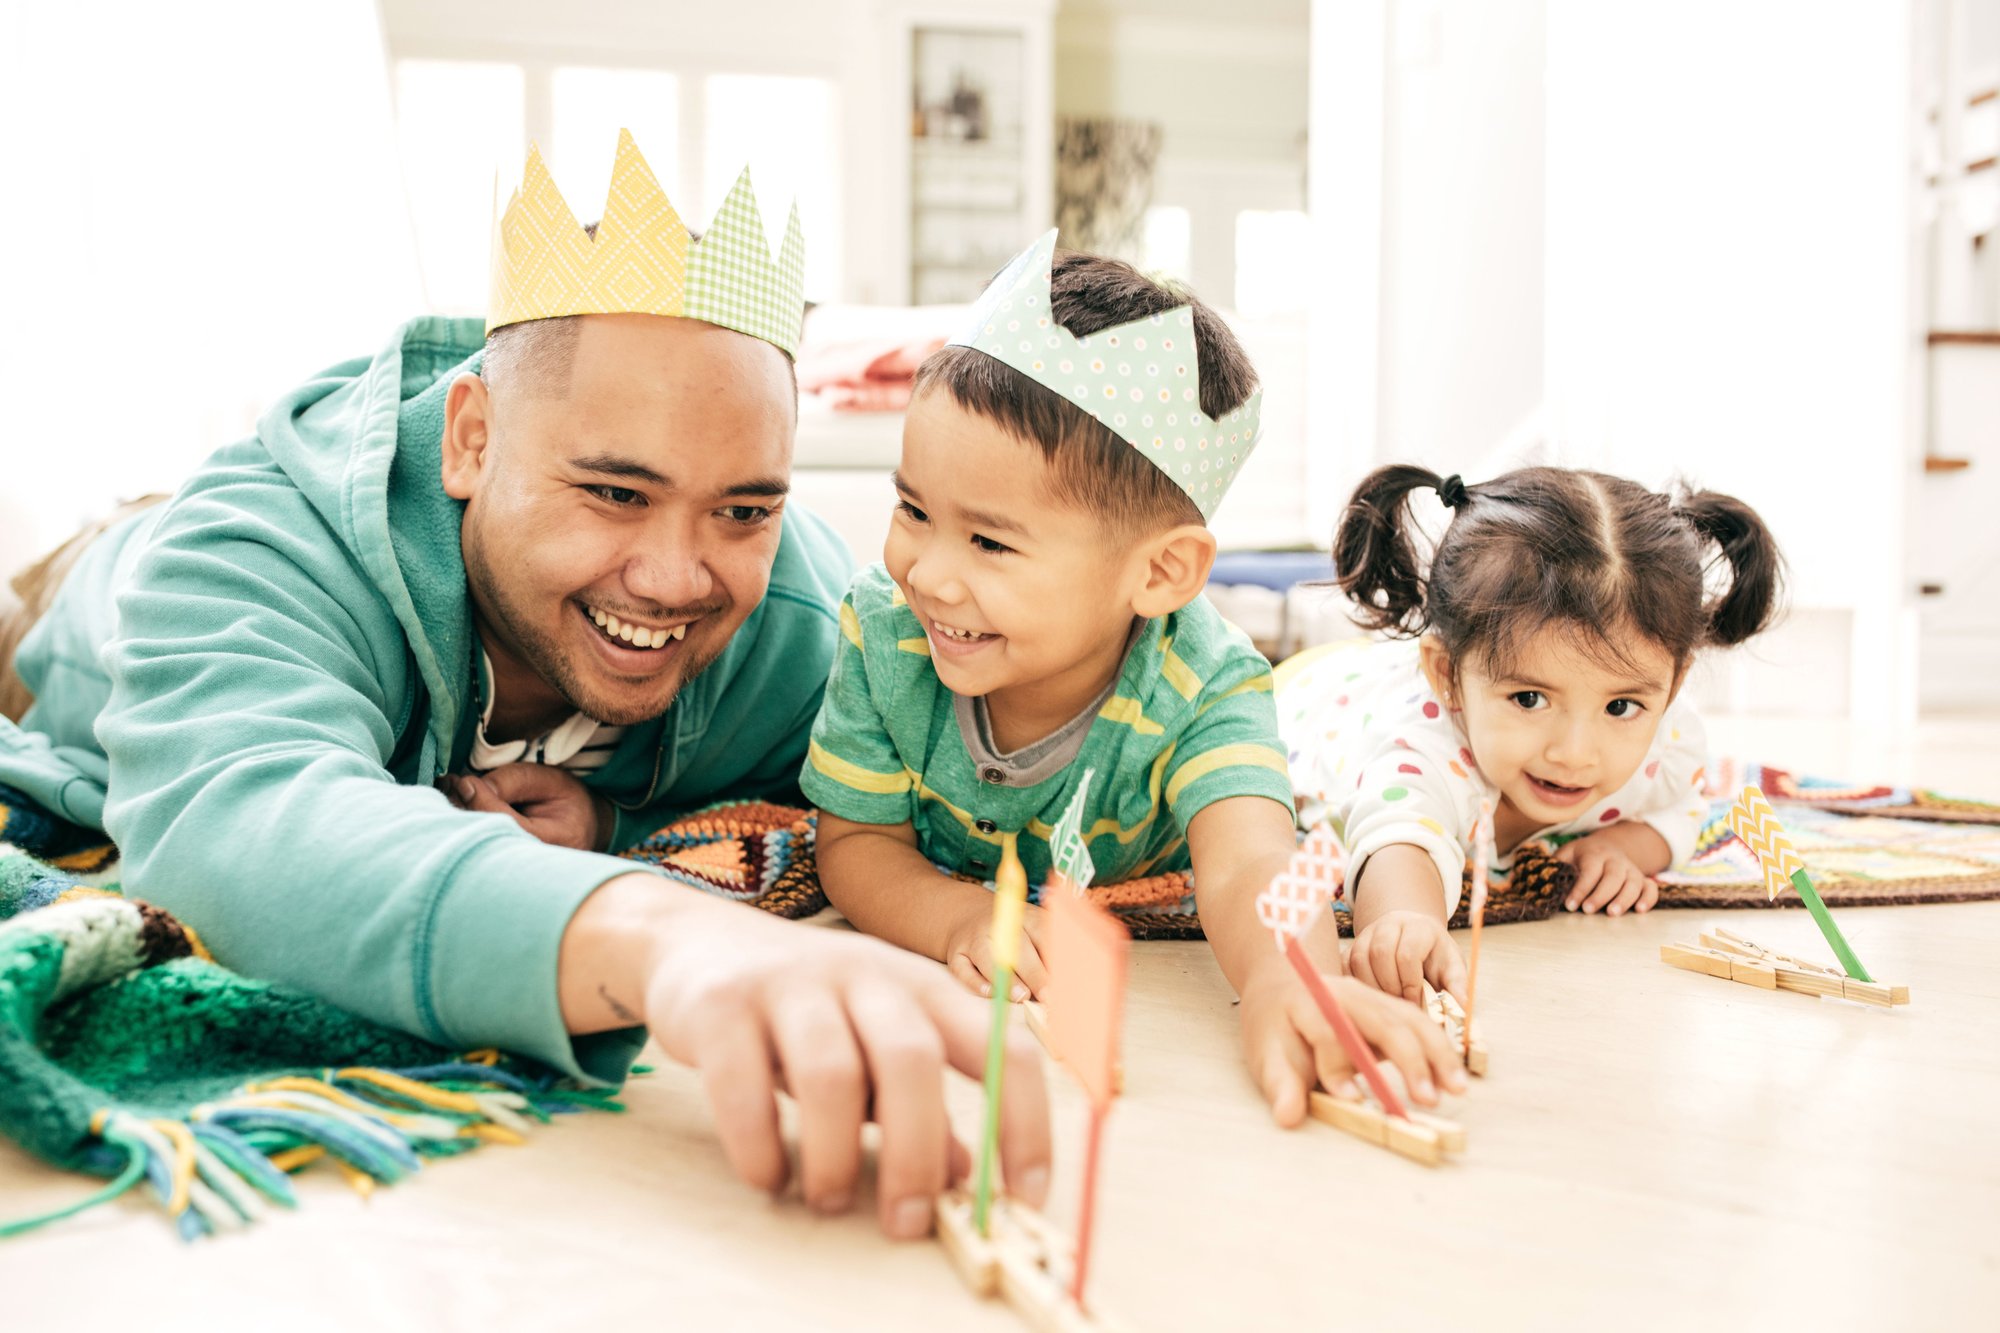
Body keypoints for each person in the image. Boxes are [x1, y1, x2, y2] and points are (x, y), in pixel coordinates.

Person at [0, 131, 1049, 1238]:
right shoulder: (252, 544)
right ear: (471, 439)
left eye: (742, 508)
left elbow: (982, 771)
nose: (675, 576)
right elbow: (232, 832)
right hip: (75, 594)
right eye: (613, 492)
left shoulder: (801, 618)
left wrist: (618, 815)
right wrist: (658, 935)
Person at [800, 234, 1466, 1127]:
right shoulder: (883, 632)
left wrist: (1283, 977)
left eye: (991, 542)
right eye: (913, 510)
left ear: (1159, 574)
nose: (929, 574)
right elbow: (854, 845)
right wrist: (956, 917)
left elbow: (1248, 864)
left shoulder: (1209, 686)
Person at [1281, 463, 1783, 1003]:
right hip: (1314, 692)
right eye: (1529, 699)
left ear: (1673, 685)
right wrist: (1404, 919)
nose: (1574, 753)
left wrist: (1629, 846)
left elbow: (1685, 808)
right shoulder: (1418, 748)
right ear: (1448, 675)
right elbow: (1400, 838)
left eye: (1620, 706)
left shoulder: (1668, 742)